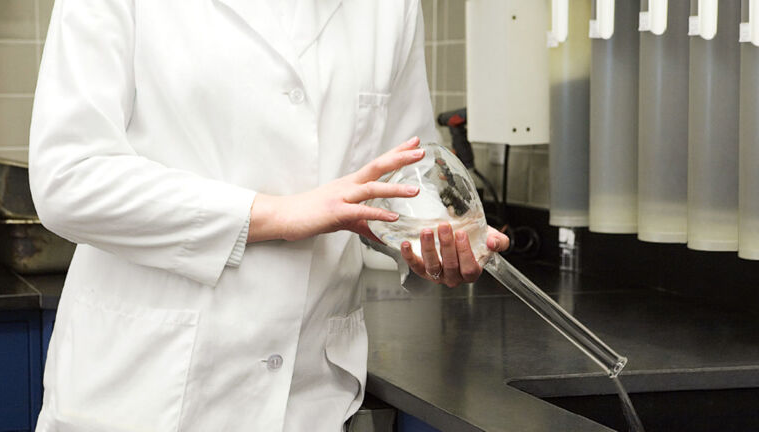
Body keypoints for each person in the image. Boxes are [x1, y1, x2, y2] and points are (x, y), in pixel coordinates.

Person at [28, 0, 509, 431]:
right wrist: (276, 214)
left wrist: (431, 243)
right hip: (144, 390)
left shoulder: (390, 8)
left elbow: (404, 179)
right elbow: (69, 179)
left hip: (308, 398)